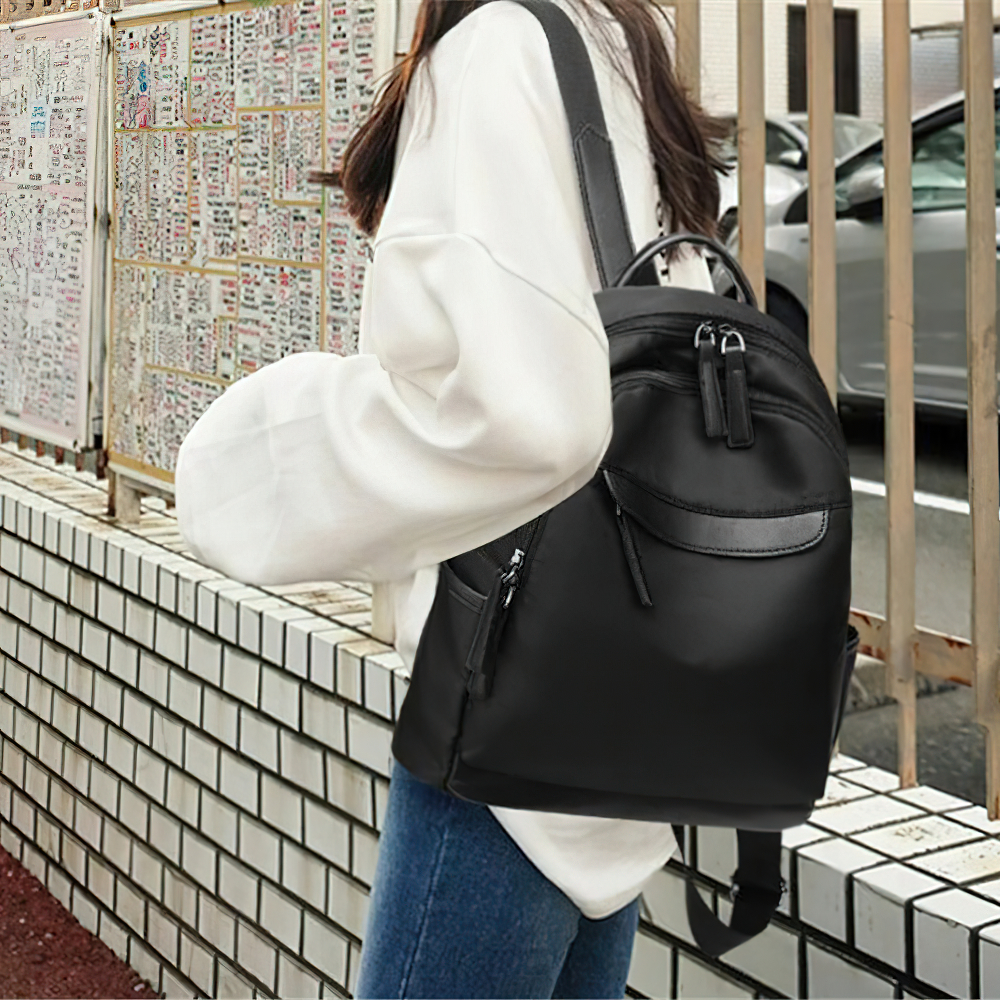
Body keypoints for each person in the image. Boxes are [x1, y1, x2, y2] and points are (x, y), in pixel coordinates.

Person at [175, 1, 726, 996]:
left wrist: (256, 451)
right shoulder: (614, 36)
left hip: (506, 711)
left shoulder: (491, 52)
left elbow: (526, 416)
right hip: (623, 701)